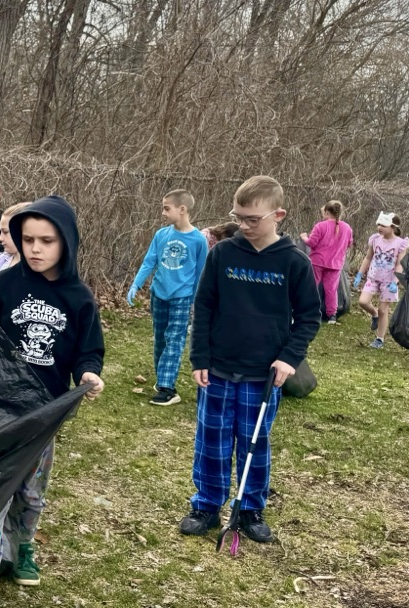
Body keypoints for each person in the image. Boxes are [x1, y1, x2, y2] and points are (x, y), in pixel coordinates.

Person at [0, 195, 105, 608]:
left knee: (32, 492)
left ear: (67, 243)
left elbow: (88, 350)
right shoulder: (6, 284)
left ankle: (22, 548)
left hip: (44, 414)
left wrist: (89, 373)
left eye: (47, 241)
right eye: (28, 239)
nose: (35, 249)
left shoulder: (79, 298)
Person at [181, 175, 320, 544]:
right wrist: (200, 358)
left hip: (263, 375)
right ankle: (207, 505)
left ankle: (250, 509)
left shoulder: (294, 262)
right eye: (237, 216)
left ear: (279, 215)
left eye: (252, 219)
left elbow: (309, 316)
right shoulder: (223, 254)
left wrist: (289, 359)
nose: (243, 225)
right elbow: (205, 305)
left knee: (254, 442)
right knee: (212, 440)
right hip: (219, 368)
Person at [126, 190, 208, 406]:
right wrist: (136, 284)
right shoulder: (161, 235)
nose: (163, 213)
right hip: (158, 293)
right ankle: (162, 377)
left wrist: (197, 300)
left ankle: (167, 388)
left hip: (182, 297)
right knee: (160, 337)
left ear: (182, 210)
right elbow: (149, 261)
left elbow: (201, 273)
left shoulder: (199, 240)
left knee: (175, 338)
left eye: (166, 208)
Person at [354, 212, 409, 348]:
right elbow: (368, 257)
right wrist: (360, 274)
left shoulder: (400, 244)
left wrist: (395, 281)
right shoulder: (375, 239)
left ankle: (380, 339)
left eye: (383, 225)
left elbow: (399, 264)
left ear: (393, 227)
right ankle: (374, 314)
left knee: (383, 310)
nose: (379, 227)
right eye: (378, 224)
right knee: (363, 301)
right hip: (373, 277)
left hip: (389, 281)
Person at [299, 200, 354, 324]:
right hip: (335, 264)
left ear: (327, 212)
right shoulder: (347, 228)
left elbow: (312, 243)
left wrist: (304, 237)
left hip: (318, 261)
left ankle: (305, 311)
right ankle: (332, 316)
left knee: (310, 287)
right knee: (331, 289)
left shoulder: (320, 226)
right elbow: (349, 244)